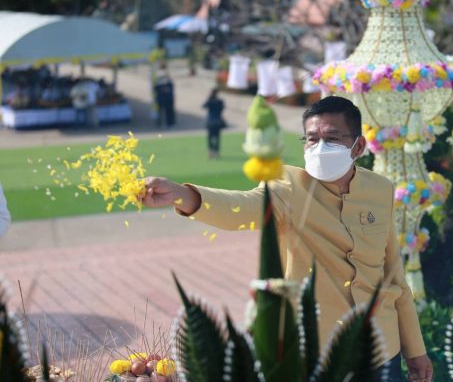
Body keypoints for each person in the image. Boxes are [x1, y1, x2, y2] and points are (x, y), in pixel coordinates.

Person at [141, 96, 433, 382]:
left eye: (332, 138)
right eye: (311, 138)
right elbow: (240, 208)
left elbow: (393, 276)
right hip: (319, 353)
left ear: (358, 146)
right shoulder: (288, 186)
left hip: (381, 348)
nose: (320, 147)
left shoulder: (380, 188)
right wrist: (183, 195)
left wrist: (415, 350)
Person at [203, 87, 226, 158]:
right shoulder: (220, 101)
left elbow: (203, 106)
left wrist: (209, 98)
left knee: (210, 137)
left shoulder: (210, 101)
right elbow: (222, 108)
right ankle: (216, 151)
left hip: (211, 121)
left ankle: (211, 151)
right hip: (218, 121)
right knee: (217, 137)